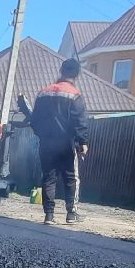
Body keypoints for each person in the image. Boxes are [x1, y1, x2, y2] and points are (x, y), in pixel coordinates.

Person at [29, 58, 92, 225]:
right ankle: (71, 213)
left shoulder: (43, 93)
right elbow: (80, 120)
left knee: (48, 178)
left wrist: (42, 134)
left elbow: (34, 120)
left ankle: (49, 215)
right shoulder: (74, 94)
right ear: (77, 74)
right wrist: (82, 142)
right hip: (66, 143)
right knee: (71, 177)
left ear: (61, 71)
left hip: (46, 143)